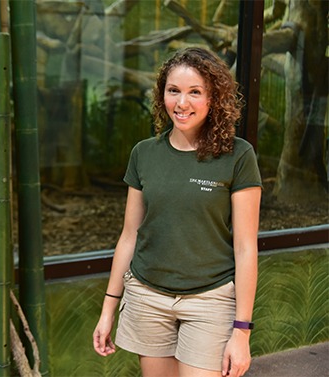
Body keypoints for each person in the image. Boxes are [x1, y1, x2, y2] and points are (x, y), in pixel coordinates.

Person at [92, 47, 262, 377]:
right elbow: (129, 236)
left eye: (194, 92)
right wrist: (108, 309)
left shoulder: (238, 156)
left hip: (210, 300)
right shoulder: (144, 154)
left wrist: (242, 331)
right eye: (174, 91)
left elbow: (245, 247)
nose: (181, 103)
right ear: (162, 95)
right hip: (147, 297)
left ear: (215, 98)